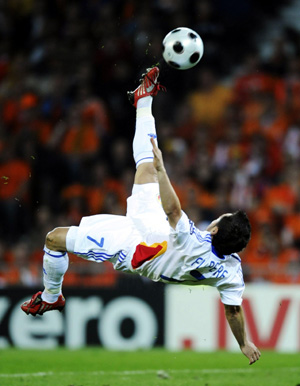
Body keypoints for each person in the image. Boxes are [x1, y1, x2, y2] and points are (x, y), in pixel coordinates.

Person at [21, 67, 261, 365]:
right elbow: (233, 310)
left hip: (133, 247)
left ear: (213, 229)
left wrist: (164, 171)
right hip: (156, 228)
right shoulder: (231, 273)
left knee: (54, 239)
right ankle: (143, 99)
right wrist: (245, 343)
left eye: (221, 217)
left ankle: (51, 295)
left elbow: (174, 211)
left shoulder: (192, 240)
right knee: (145, 165)